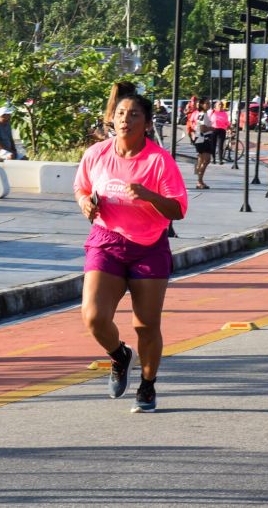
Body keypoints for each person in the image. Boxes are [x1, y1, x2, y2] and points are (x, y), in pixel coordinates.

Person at [74, 88, 187, 414]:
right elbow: (81, 187)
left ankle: (148, 384)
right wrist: (85, 203)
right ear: (113, 117)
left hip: (149, 247)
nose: (125, 119)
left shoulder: (158, 161)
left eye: (134, 114)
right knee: (94, 317)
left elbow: (178, 209)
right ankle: (119, 355)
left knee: (146, 325)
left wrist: (150, 195)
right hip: (106, 242)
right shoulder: (96, 153)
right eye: (121, 113)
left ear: (147, 123)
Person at [193, 97, 214, 189]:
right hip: (203, 139)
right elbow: (202, 128)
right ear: (201, 105)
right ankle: (199, 180)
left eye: (209, 103)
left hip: (201, 139)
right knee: (206, 160)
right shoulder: (203, 115)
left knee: (202, 160)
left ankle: (199, 179)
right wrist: (212, 128)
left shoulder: (204, 114)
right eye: (206, 103)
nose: (208, 105)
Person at [210, 100, 230, 164]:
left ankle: (220, 159)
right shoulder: (212, 112)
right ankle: (213, 159)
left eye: (221, 104)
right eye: (219, 104)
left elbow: (226, 122)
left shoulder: (224, 113)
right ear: (215, 106)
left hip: (222, 130)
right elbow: (208, 120)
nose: (221, 105)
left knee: (220, 146)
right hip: (213, 129)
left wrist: (229, 127)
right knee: (213, 145)